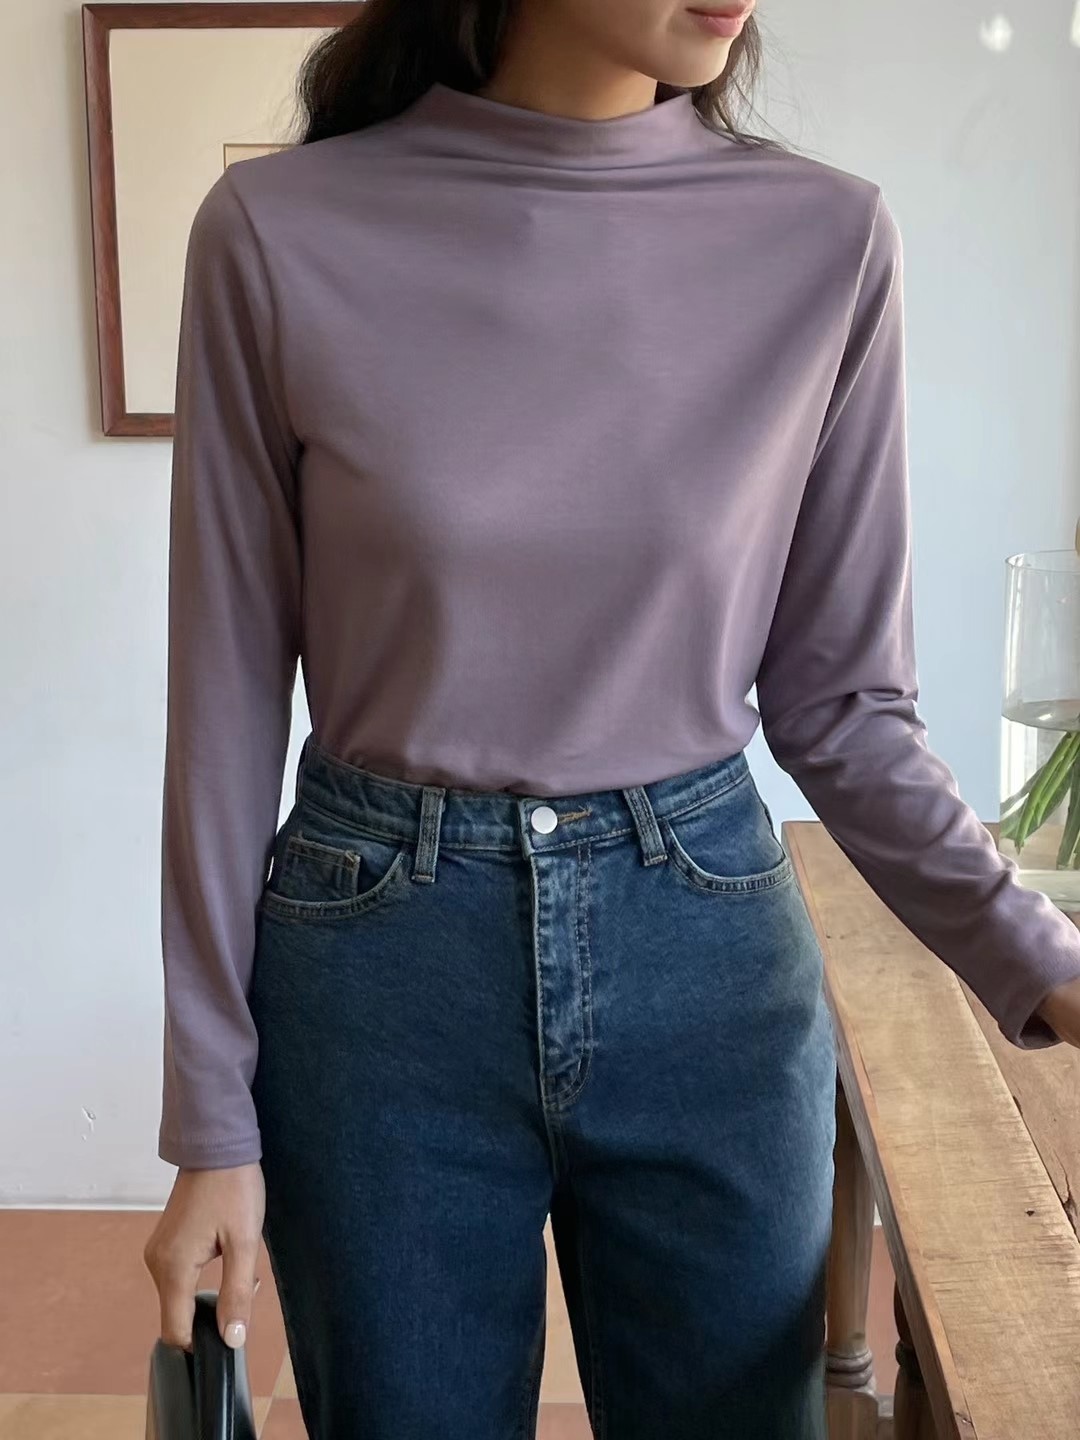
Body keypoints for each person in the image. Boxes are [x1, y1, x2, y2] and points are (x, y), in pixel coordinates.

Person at [142, 1, 1080, 1435]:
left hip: (708, 961)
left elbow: (844, 708)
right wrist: (209, 1116)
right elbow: (220, 711)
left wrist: (1045, 962)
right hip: (381, 976)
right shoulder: (276, 233)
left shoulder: (826, 243)